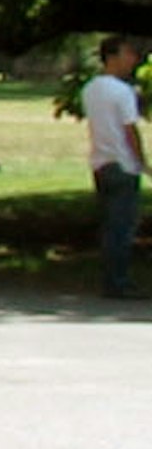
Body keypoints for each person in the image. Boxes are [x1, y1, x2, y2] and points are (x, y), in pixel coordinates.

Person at [89, 36, 143, 301]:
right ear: (112, 56)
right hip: (123, 164)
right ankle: (118, 282)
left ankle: (110, 279)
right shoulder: (123, 92)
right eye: (128, 54)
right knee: (122, 226)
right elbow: (129, 129)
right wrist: (142, 162)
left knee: (110, 225)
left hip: (101, 162)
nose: (133, 60)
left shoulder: (91, 89)